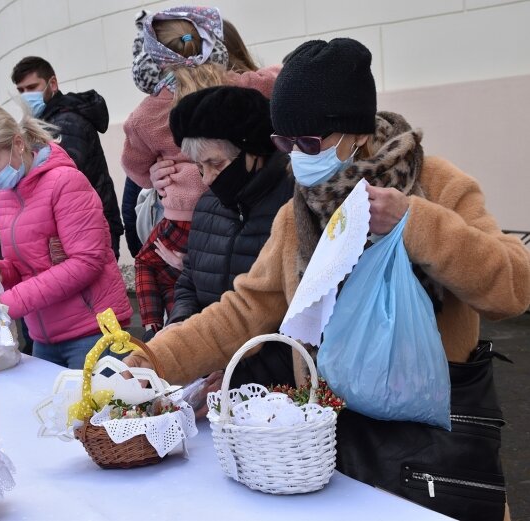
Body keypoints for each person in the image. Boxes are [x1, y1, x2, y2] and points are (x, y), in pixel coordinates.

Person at [126, 38, 530, 521]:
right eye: (284, 143)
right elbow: (243, 311)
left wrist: (417, 223)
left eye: (309, 143)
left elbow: (513, 290)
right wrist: (153, 358)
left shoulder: (437, 184)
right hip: (333, 445)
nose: (297, 158)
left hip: (434, 442)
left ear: (355, 131)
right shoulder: (299, 212)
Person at [123, 6, 280, 338]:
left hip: (183, 216)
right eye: (199, 165)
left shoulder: (146, 115)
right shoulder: (239, 86)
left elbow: (133, 167)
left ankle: (161, 332)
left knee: (156, 269)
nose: (206, 173)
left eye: (214, 163)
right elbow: (278, 80)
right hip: (232, 211)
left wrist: (152, 174)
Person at [0, 104, 132, 369]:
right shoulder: (5, 198)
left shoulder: (65, 182)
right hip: (44, 335)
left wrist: (10, 302)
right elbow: (29, 266)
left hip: (92, 330)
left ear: (18, 144)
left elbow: (87, 262)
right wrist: (1, 272)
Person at [165, 85, 295, 388]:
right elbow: (189, 281)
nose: (208, 179)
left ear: (253, 152)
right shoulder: (208, 205)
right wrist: (179, 328)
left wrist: (240, 376)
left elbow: (302, 321)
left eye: (216, 164)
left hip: (277, 397)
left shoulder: (293, 208)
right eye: (200, 168)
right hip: (209, 382)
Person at [11, 56, 124, 259]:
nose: (26, 95)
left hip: (91, 225)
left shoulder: (65, 122)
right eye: (21, 90)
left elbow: (61, 179)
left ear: (52, 83)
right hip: (84, 222)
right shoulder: (47, 121)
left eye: (32, 87)